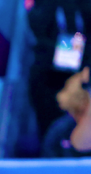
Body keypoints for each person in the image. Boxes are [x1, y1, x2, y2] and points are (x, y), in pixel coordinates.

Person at [28, 0, 91, 148]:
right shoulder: (44, 5)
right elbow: (38, 30)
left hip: (80, 76)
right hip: (48, 76)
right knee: (50, 130)